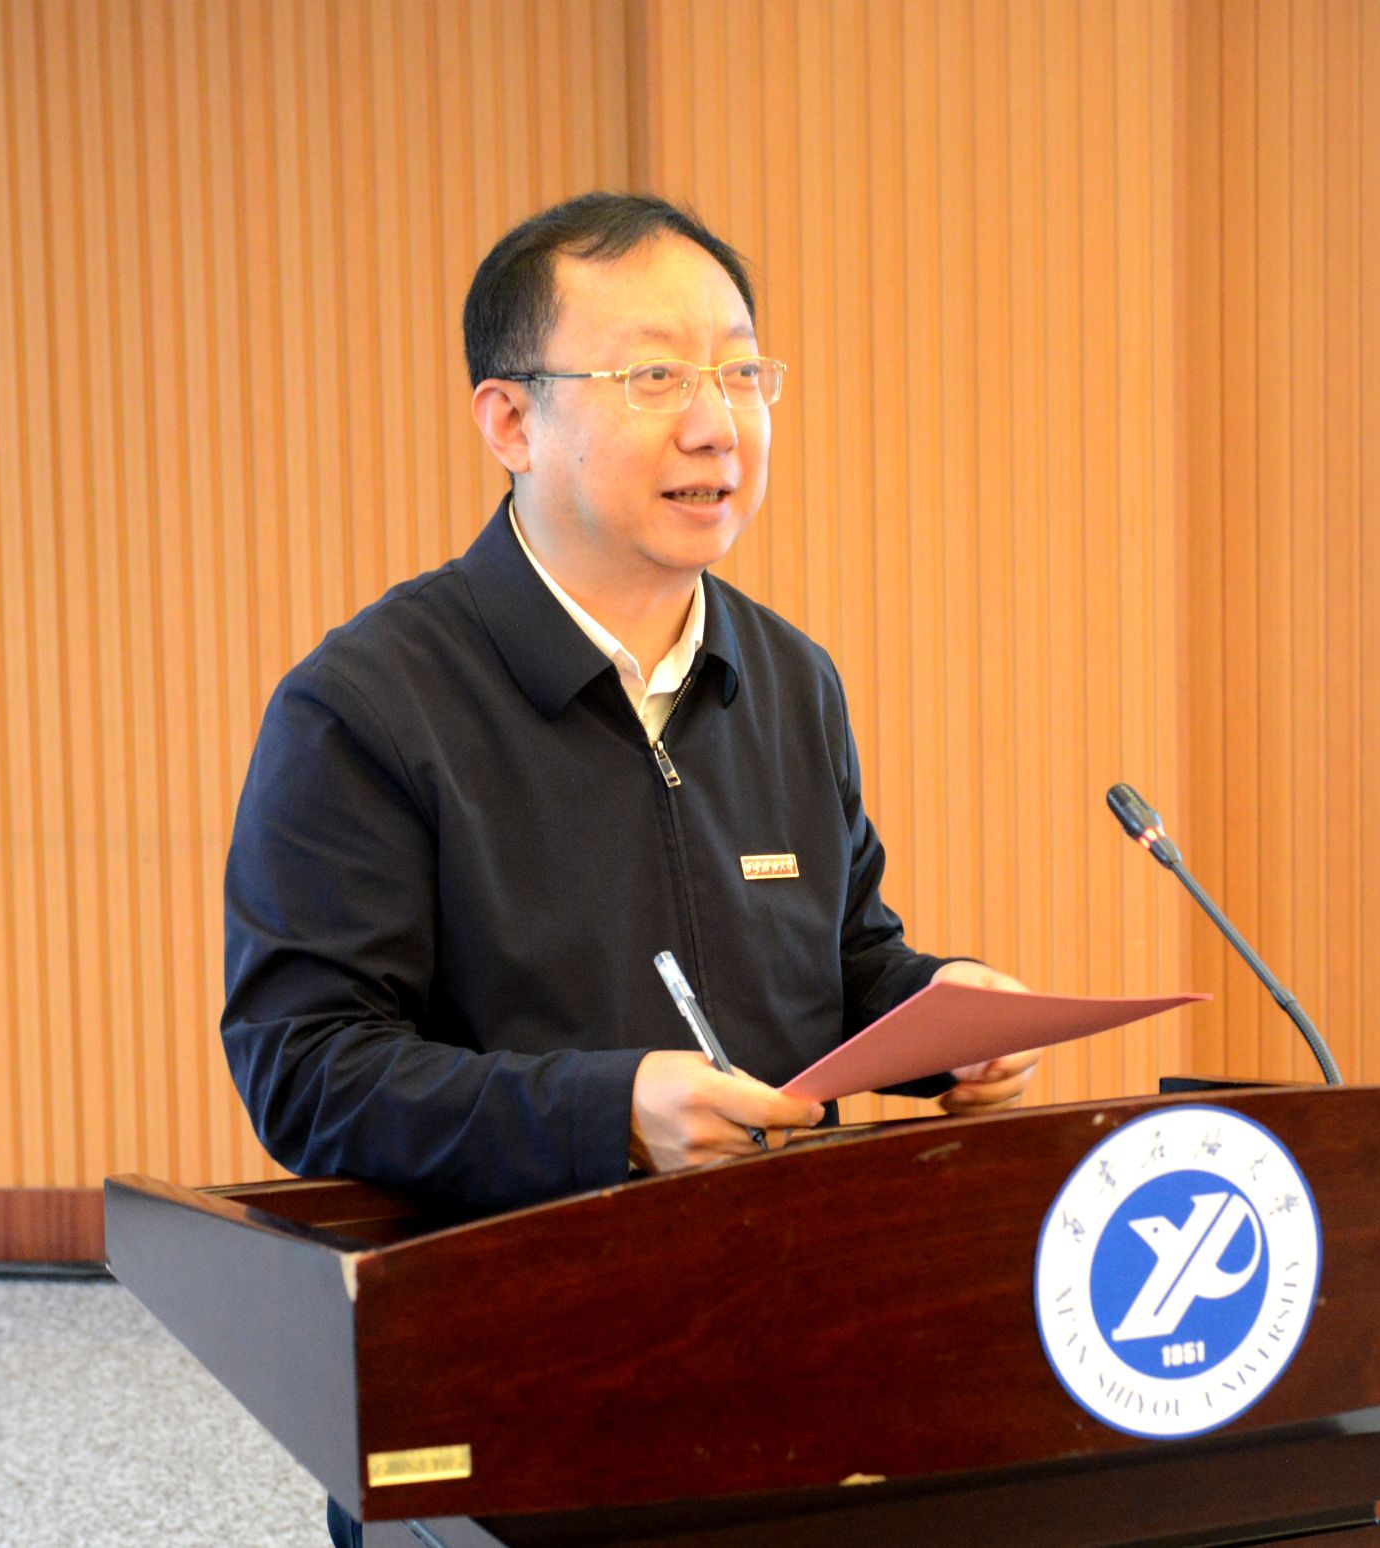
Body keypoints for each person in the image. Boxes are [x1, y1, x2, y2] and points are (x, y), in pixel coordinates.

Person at [220, 192, 1041, 1546]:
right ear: (509, 421)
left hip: (797, 1348)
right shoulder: (368, 705)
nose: (718, 424)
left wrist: (942, 1015)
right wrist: (610, 1112)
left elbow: (836, 961)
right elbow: (307, 1069)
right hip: (505, 1375)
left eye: (743, 372)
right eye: (655, 377)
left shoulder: (789, 678)